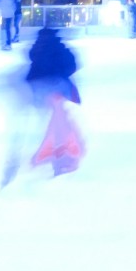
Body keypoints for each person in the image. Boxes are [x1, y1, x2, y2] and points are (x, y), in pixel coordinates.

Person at [25, 27, 85, 176]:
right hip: (59, 89)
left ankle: (58, 154)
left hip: (42, 92)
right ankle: (61, 154)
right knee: (60, 120)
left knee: (57, 120)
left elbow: (30, 75)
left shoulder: (36, 51)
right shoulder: (61, 49)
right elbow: (72, 66)